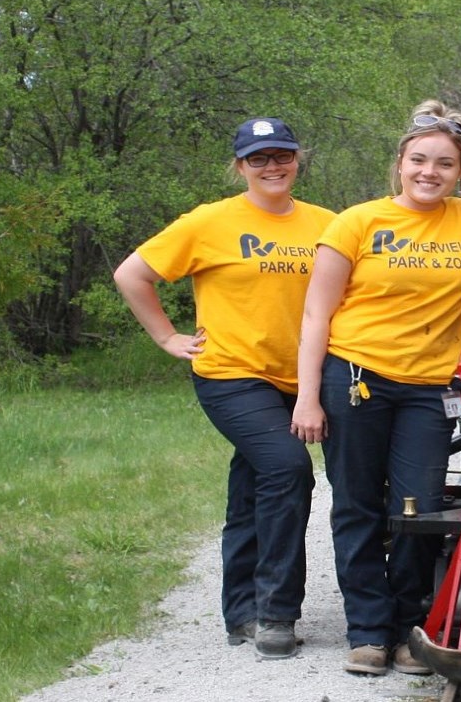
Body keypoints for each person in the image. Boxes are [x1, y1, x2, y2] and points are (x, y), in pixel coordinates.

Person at [290, 100, 461, 677]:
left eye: (444, 164)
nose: (430, 172)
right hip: (356, 379)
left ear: (460, 173)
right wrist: (307, 397)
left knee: (419, 508)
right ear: (400, 164)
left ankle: (410, 630)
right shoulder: (356, 222)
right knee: (356, 504)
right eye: (420, 160)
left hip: (429, 388)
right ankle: (368, 632)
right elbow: (315, 317)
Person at [112, 117, 335, 661]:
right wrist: (167, 336)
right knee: (286, 468)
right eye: (258, 158)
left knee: (253, 484)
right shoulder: (208, 222)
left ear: (297, 160)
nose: (272, 166)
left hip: (302, 374)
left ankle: (240, 610)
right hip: (231, 374)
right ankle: (277, 612)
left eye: (281, 155)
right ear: (239, 167)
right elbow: (131, 274)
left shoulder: (329, 224)